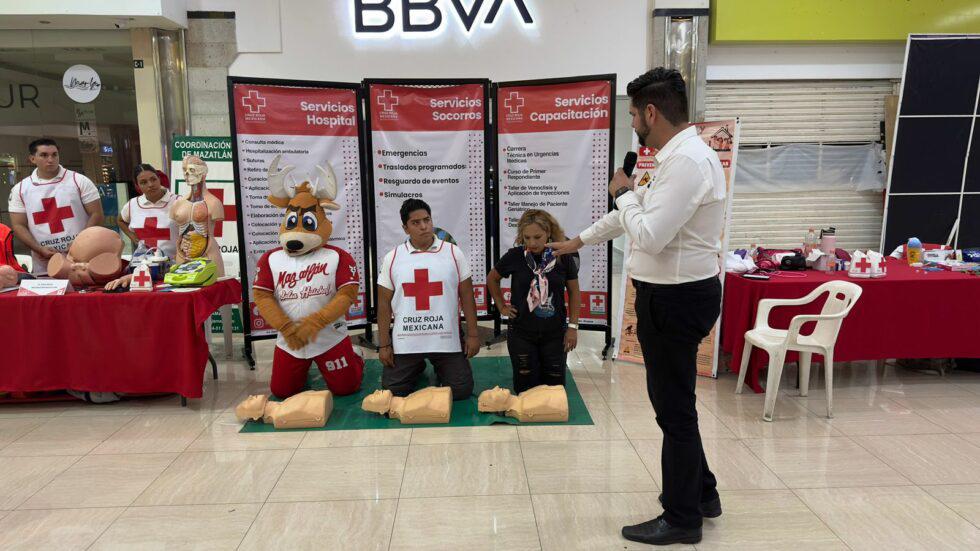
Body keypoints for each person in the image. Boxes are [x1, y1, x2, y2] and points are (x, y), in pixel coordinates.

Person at [549, 68, 726, 546]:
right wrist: (575, 243)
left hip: (675, 299)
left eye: (632, 114)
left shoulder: (688, 162)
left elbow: (647, 231)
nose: (632, 123)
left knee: (673, 411)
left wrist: (624, 191)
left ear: (651, 112)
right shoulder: (671, 159)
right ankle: (703, 494)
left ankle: (683, 518)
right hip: (668, 295)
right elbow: (629, 216)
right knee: (676, 405)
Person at [376, 199, 480, 400]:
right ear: (405, 228)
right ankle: (417, 365)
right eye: (416, 223)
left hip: (445, 338)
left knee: (460, 391)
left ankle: (440, 367)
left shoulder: (452, 252)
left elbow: (466, 295)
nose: (424, 226)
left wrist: (473, 335)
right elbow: (383, 303)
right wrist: (384, 345)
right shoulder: (393, 257)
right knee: (394, 391)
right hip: (407, 341)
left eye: (427, 220)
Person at [487, 209, 580, 393]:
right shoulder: (515, 256)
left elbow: (574, 292)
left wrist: (573, 327)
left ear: (549, 233)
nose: (532, 243)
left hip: (554, 333)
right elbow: (492, 278)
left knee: (554, 389)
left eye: (538, 237)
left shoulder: (562, 256)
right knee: (525, 389)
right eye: (527, 237)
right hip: (522, 333)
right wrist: (501, 307)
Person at [8, 138, 104, 275]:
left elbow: (97, 215)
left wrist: (80, 245)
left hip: (82, 258)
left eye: (54, 154)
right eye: (44, 155)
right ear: (32, 159)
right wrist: (39, 249)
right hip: (44, 263)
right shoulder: (20, 189)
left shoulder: (79, 181)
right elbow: (18, 225)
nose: (51, 159)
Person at [119, 164, 179, 260]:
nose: (150, 185)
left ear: (159, 179)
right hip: (144, 263)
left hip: (175, 262)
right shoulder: (132, 205)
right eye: (143, 182)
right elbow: (120, 220)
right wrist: (133, 237)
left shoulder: (178, 201)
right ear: (137, 186)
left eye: (153, 179)